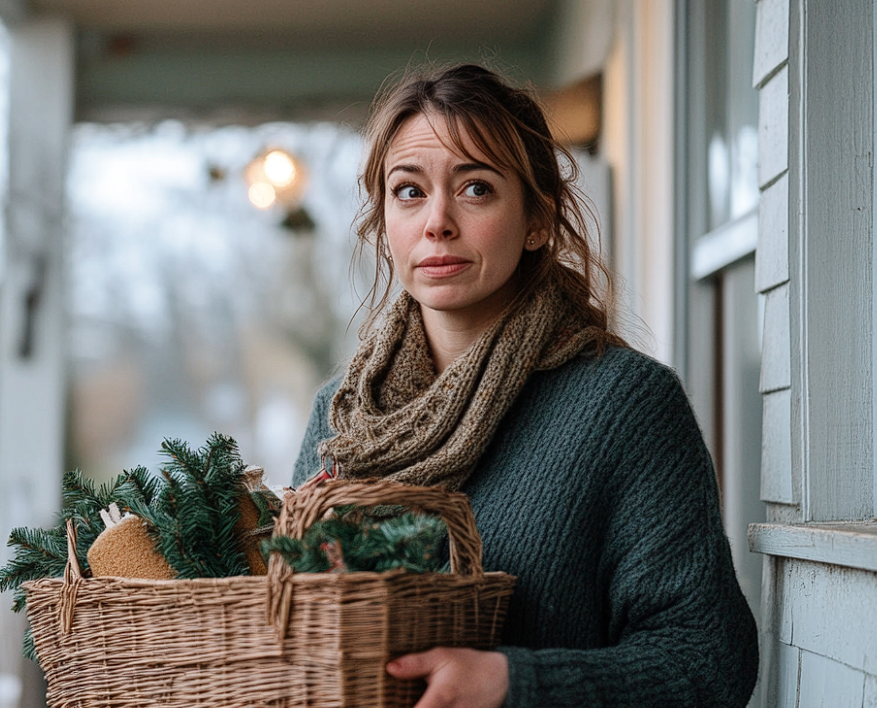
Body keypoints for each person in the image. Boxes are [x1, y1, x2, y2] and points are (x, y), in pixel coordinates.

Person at [293, 62, 759, 708]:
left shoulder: (625, 408)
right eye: (408, 191)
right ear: (383, 225)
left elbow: (710, 660)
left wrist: (513, 683)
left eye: (476, 188)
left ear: (538, 219)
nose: (437, 222)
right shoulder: (342, 417)